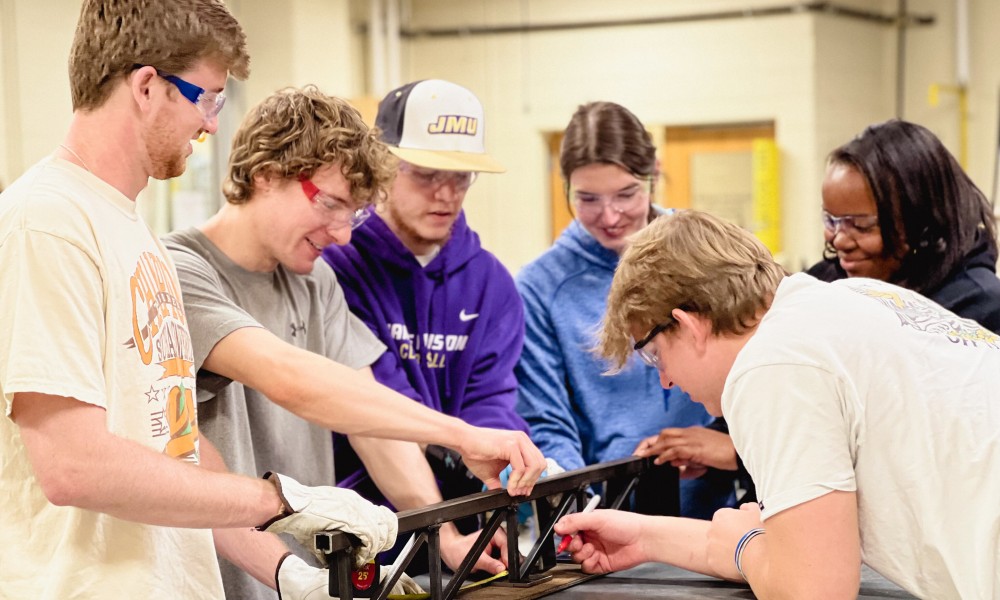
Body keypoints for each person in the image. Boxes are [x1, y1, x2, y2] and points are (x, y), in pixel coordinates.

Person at [0, 2, 403, 599]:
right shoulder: (47, 222)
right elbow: (72, 465)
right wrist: (278, 500)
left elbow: (176, 449)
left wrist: (287, 573)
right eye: (208, 98)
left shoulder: (133, 234)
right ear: (146, 86)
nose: (212, 124)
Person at [163, 86, 545, 598]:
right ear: (266, 173)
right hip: (225, 579)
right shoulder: (177, 272)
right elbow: (292, 381)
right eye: (331, 205)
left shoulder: (313, 280)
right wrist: (462, 436)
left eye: (355, 215)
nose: (343, 235)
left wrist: (446, 536)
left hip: (317, 581)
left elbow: (370, 422)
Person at [554, 209, 1000, 599]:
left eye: (653, 354)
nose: (666, 380)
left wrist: (744, 547)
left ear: (689, 326)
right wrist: (647, 537)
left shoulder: (771, 364)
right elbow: (796, 550)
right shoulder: (849, 300)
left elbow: (813, 590)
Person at [323, 79, 529, 569]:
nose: (445, 194)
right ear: (383, 167)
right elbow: (378, 408)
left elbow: (491, 399)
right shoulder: (336, 265)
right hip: (356, 529)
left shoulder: (491, 282)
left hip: (462, 529)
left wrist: (495, 485)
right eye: (426, 174)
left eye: (461, 177)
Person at [514, 101, 740, 519]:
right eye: (588, 199)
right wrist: (578, 512)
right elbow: (547, 422)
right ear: (564, 187)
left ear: (653, 174)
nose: (610, 216)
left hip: (716, 512)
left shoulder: (705, 250)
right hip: (606, 516)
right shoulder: (540, 287)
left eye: (626, 194)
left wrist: (728, 443)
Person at [807, 119, 1000, 332]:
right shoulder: (822, 284)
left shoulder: (981, 309)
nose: (840, 240)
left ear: (923, 223)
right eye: (831, 220)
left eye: (861, 225)